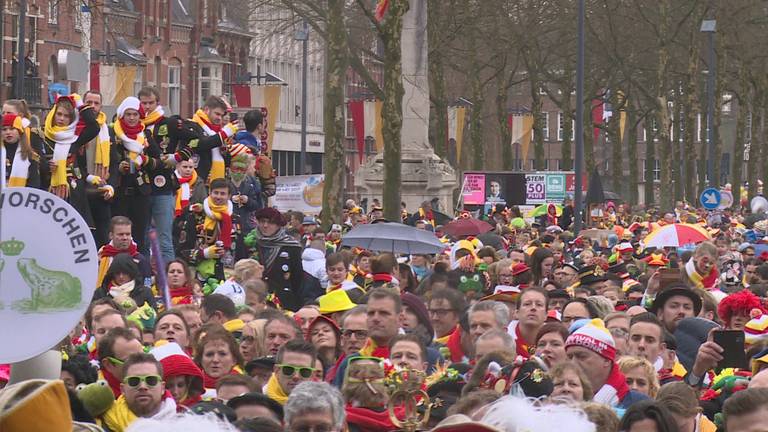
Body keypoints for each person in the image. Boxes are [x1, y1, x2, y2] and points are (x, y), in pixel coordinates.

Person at [110, 96, 162, 255]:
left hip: (141, 193)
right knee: (119, 234)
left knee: (140, 237)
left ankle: (142, 271)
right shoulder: (114, 133)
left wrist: (144, 160)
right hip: (119, 193)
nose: (132, 118)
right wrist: (118, 167)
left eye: (135, 114)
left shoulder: (144, 134)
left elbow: (159, 161)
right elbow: (106, 160)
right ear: (122, 116)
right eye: (128, 114)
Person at [565, 318, 648, 408]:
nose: (573, 363)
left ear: (607, 360)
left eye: (582, 356)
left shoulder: (638, 404)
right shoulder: (560, 398)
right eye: (569, 357)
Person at [43, 93, 100, 222]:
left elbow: (94, 127)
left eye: (67, 116)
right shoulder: (41, 135)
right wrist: (46, 166)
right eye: (59, 114)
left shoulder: (75, 138)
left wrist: (80, 104)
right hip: (49, 188)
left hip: (73, 191)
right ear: (53, 113)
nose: (62, 119)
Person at [175, 178, 234, 281]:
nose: (219, 196)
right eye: (216, 193)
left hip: (227, 275)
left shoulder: (235, 219)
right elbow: (181, 252)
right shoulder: (195, 216)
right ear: (209, 192)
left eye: (223, 193)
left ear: (229, 196)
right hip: (198, 276)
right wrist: (204, 253)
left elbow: (239, 252)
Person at [100, 353, 177, 431]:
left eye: (151, 380)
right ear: (122, 389)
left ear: (162, 387)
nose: (142, 386)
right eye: (133, 381)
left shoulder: (182, 423)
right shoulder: (102, 426)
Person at [247, 207, 302, 311]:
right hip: (254, 300)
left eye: (271, 223)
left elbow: (297, 278)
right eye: (262, 221)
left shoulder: (291, 246)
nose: (265, 226)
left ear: (278, 225)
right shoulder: (251, 242)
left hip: (283, 300)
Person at [189, 95, 238, 182]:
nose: (220, 118)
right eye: (217, 114)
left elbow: (227, 161)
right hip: (197, 179)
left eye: (222, 115)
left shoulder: (217, 131)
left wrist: (224, 150)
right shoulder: (192, 125)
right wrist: (222, 135)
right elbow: (199, 144)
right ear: (207, 110)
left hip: (217, 183)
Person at [97, 216, 152, 288]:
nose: (125, 238)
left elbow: (147, 288)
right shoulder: (101, 257)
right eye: (120, 234)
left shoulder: (140, 260)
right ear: (111, 235)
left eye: (128, 234)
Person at [228, 153, 263, 259]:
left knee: (244, 254)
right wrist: (229, 200)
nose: (238, 172)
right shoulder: (226, 185)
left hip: (245, 226)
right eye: (235, 169)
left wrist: (247, 200)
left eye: (241, 170)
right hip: (229, 225)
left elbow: (256, 206)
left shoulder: (249, 187)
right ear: (230, 170)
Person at [150, 342, 204, 407]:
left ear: (188, 384)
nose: (175, 392)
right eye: (168, 386)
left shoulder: (202, 410)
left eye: (180, 385)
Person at [265, 340, 319, 405]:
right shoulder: (260, 401)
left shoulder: (322, 407)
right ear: (276, 371)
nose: (296, 376)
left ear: (312, 376)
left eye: (304, 371)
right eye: (288, 369)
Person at [98, 327, 145, 397]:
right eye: (132, 360)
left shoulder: (152, 384)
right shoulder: (97, 397)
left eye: (143, 358)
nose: (141, 365)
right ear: (108, 364)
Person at [193, 326, 244, 392]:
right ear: (200, 359)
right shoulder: (190, 387)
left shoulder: (245, 388)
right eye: (209, 354)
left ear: (234, 360)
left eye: (222, 354)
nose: (215, 360)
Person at [2, 112, 41, 189]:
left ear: (20, 131)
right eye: (4, 129)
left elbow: (34, 185)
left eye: (12, 129)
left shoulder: (31, 155)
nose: (8, 132)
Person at [359, 288, 402, 358]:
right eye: (371, 313)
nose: (375, 318)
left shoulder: (419, 356)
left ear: (400, 319)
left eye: (384, 313)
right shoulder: (351, 361)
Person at [510, 287, 548, 359]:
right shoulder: (504, 340)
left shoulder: (555, 340)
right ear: (517, 313)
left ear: (546, 315)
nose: (533, 308)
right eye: (527, 304)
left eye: (539, 304)